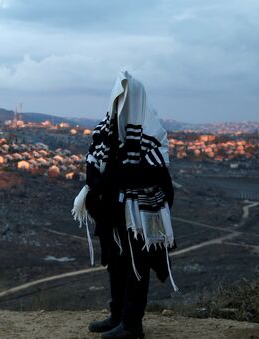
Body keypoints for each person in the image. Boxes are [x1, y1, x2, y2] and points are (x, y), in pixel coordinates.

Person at [72, 71, 177, 339]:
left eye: (125, 101)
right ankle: (117, 315)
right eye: (118, 101)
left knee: (137, 265)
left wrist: (115, 179)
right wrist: (103, 185)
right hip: (114, 210)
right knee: (117, 262)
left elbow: (156, 173)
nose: (121, 107)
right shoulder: (105, 131)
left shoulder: (152, 134)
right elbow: (94, 165)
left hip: (140, 213)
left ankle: (132, 325)